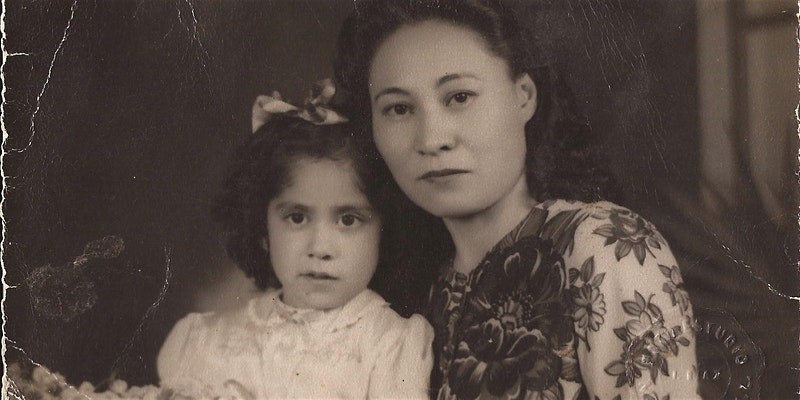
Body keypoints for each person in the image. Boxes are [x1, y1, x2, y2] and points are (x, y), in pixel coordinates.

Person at [333, 1, 700, 399]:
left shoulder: (604, 246)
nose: (431, 139)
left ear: (524, 96)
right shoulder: (422, 291)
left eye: (459, 97)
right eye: (398, 109)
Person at [156, 86, 433, 399]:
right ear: (263, 229)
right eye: (297, 218)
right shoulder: (206, 341)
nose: (320, 248)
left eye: (348, 220)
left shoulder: (389, 345)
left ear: (385, 231)